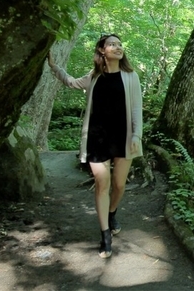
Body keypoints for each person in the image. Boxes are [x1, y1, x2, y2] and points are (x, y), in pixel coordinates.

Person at [47, 33, 143, 258]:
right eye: (112, 44)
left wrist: (137, 135)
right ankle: (105, 235)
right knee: (102, 183)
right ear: (102, 50)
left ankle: (111, 213)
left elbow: (137, 108)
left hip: (124, 137)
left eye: (120, 44)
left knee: (119, 185)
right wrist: (53, 66)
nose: (118, 47)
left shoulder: (131, 76)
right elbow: (70, 82)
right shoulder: (94, 76)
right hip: (97, 139)